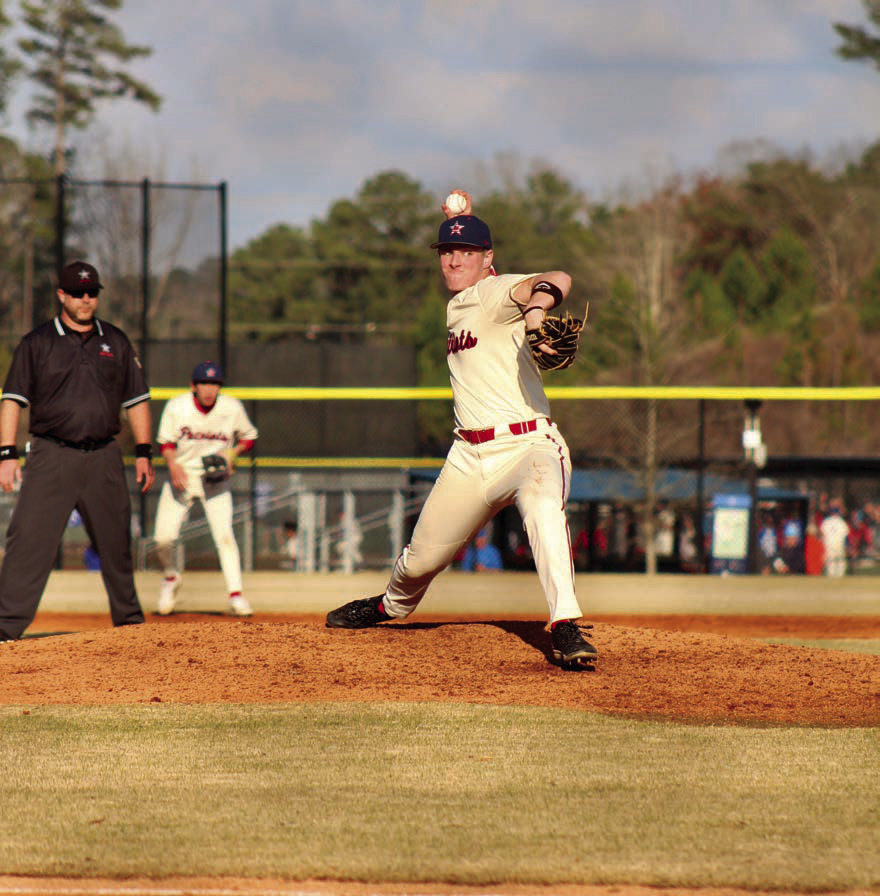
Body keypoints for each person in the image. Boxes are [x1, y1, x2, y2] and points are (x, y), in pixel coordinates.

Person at [326, 190, 597, 668]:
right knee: (420, 561)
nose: (453, 260)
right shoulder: (460, 302)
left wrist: (535, 313)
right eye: (447, 252)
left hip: (527, 445)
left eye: (466, 252)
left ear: (487, 258)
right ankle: (389, 605)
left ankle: (565, 623)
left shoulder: (496, 292)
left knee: (540, 506)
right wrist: (459, 224)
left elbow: (557, 277)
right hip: (468, 457)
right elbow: (467, 259)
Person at [0, 260, 154, 641]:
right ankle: (5, 627)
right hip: (52, 456)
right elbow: (12, 400)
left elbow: (137, 400)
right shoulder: (37, 342)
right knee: (28, 542)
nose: (86, 299)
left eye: (92, 293)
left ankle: (130, 626)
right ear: (62, 296)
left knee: (116, 544)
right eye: (78, 293)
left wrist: (145, 452)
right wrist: (7, 454)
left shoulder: (115, 341)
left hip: (104, 456)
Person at [153, 361, 258, 617]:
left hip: (216, 478)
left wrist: (233, 453)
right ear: (193, 386)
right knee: (162, 538)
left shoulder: (231, 407)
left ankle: (236, 595)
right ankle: (170, 578)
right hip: (183, 475)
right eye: (204, 383)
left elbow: (249, 436)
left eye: (214, 384)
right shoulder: (178, 406)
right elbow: (166, 442)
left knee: (225, 537)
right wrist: (172, 465)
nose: (209, 389)